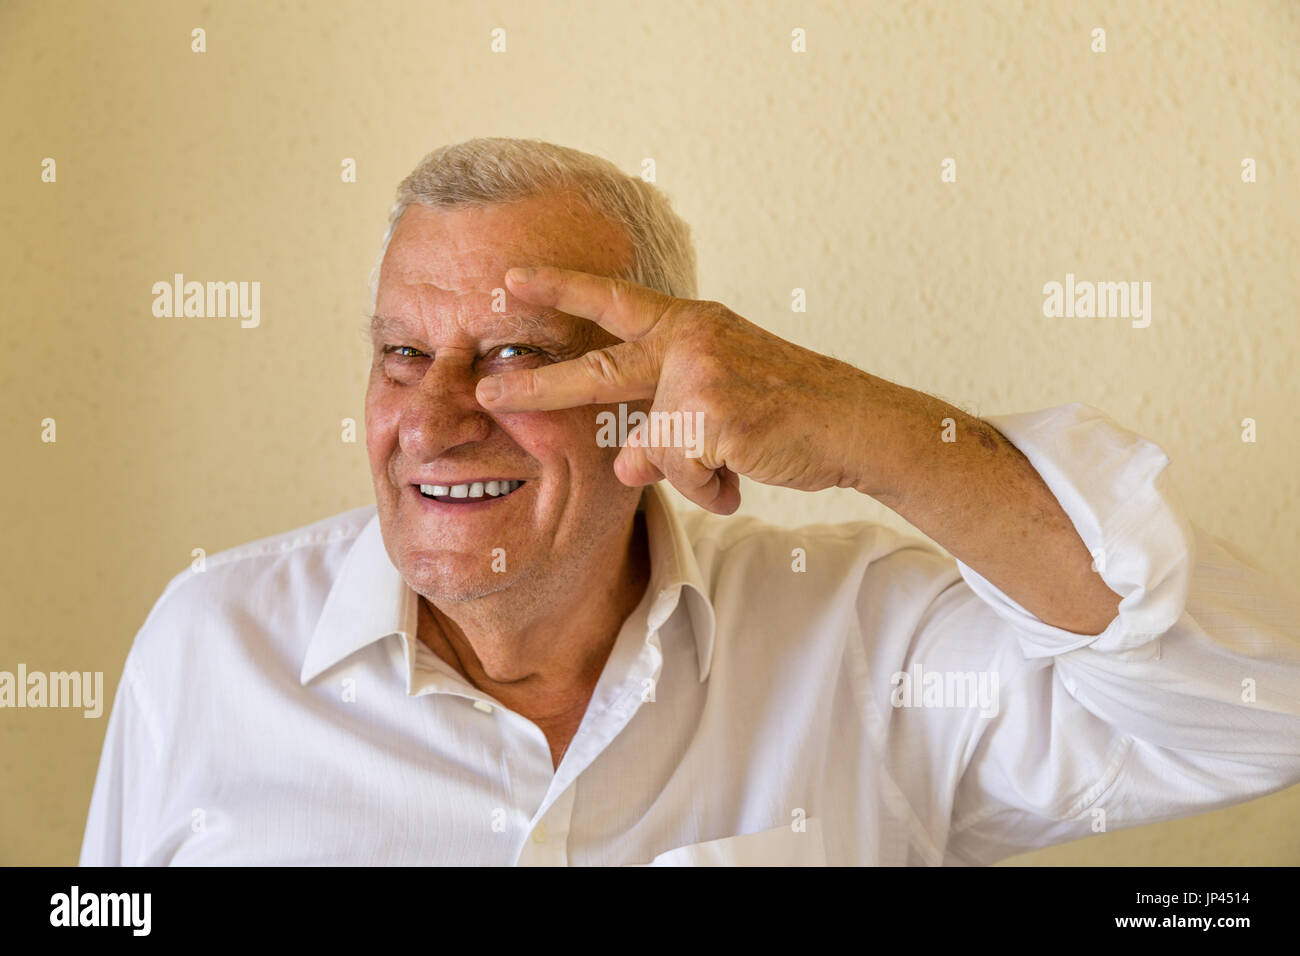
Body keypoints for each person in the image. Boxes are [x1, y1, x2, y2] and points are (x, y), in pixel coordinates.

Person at [80, 138, 1300, 866]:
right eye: (403, 353)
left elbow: (1253, 712)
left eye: (512, 356)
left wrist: (854, 421)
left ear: (655, 387)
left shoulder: (863, 646)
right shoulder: (211, 642)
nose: (435, 418)